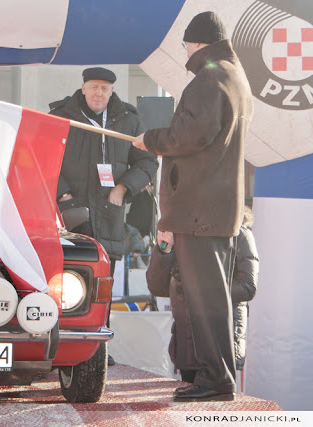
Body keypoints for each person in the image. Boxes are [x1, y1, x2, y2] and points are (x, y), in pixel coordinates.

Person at [133, 11, 254, 401]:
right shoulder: (235, 77)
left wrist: (151, 139)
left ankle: (215, 380)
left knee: (205, 298)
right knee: (212, 296)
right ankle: (216, 377)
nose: (184, 51)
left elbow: (190, 134)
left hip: (199, 208)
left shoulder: (210, 78)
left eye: (185, 44)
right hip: (216, 209)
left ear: (196, 42)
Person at [49, 67, 158, 273]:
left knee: (103, 286)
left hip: (109, 216)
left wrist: (123, 187)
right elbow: (42, 157)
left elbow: (148, 161)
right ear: (83, 88)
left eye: (104, 89)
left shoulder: (129, 120)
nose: (99, 93)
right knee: (70, 284)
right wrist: (62, 193)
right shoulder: (60, 117)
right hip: (70, 214)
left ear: (111, 91)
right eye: (94, 87)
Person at [147, 206, 259, 385]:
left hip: (220, 342)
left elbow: (247, 287)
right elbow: (158, 287)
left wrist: (200, 289)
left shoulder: (239, 234)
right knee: (187, 404)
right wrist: (164, 251)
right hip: (186, 339)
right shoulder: (183, 233)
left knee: (214, 404)